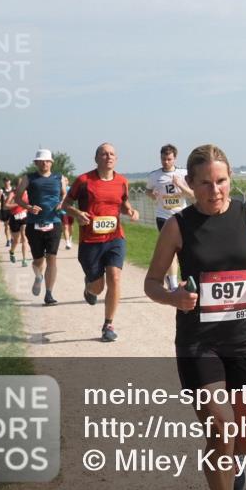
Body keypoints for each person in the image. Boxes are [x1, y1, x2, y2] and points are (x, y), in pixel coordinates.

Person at [145, 144, 246, 490]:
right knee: (221, 428)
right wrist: (174, 297)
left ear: (231, 179)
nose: (215, 190)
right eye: (204, 183)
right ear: (190, 184)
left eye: (221, 180)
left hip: (244, 338)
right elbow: (152, 283)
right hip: (197, 341)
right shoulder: (178, 225)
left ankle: (236, 462)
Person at [60, 142, 139, 342]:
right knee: (98, 288)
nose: (108, 157)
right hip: (90, 241)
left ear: (116, 158)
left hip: (114, 238)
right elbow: (65, 204)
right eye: (104, 154)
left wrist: (130, 210)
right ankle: (89, 287)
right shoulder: (84, 181)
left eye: (112, 154)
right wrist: (77, 213)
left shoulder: (122, 181)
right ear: (96, 158)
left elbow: (122, 203)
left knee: (115, 278)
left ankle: (108, 324)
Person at [15, 149, 68, 305]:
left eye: (47, 160)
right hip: (33, 223)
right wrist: (29, 207)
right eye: (41, 161)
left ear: (51, 162)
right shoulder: (28, 178)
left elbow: (65, 195)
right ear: (36, 163)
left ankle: (49, 293)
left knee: (52, 258)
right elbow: (18, 198)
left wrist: (61, 203)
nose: (44, 163)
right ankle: (38, 276)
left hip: (54, 222)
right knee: (38, 260)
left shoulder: (60, 178)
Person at [145, 143, 195, 291]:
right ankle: (173, 284)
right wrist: (152, 195)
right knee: (171, 249)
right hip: (163, 217)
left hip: (182, 215)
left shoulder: (183, 173)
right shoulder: (155, 175)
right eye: (163, 159)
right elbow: (148, 191)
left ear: (175, 158)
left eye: (169, 159)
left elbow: (192, 195)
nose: (165, 162)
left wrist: (180, 185)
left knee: (185, 249)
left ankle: (181, 279)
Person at [5, 187, 30, 267]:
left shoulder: (27, 193)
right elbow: (6, 206)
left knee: (24, 238)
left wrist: (27, 209)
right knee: (16, 240)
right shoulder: (12, 193)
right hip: (14, 218)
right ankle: (11, 251)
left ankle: (24, 259)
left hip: (24, 217)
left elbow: (30, 204)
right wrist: (18, 203)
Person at [0, 178, 14, 248]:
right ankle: (8, 240)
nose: (6, 182)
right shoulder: (2, 190)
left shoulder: (13, 189)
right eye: (5, 181)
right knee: (6, 226)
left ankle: (12, 238)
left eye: (7, 181)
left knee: (12, 225)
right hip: (5, 210)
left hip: (12, 209)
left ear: (10, 182)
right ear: (3, 182)